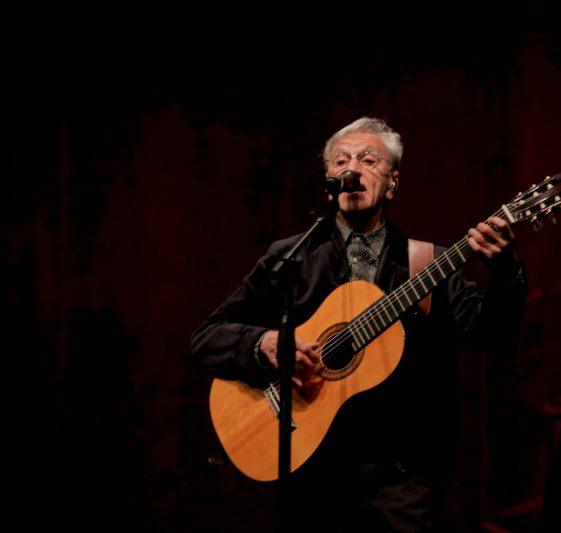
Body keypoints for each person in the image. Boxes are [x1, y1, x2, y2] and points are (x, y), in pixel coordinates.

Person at [191, 116, 529, 531]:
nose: (352, 169)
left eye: (368, 160)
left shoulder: (427, 263)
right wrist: (264, 344)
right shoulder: (291, 257)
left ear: (392, 183)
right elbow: (207, 337)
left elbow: (488, 333)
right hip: (312, 470)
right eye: (341, 161)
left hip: (401, 476)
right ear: (329, 183)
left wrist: (505, 270)